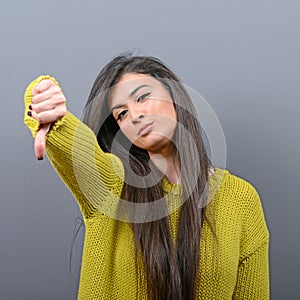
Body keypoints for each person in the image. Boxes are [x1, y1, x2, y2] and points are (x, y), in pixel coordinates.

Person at [24, 53, 270, 300]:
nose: (134, 115)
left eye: (142, 97)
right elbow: (78, 150)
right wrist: (51, 112)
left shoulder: (240, 198)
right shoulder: (113, 186)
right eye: (121, 114)